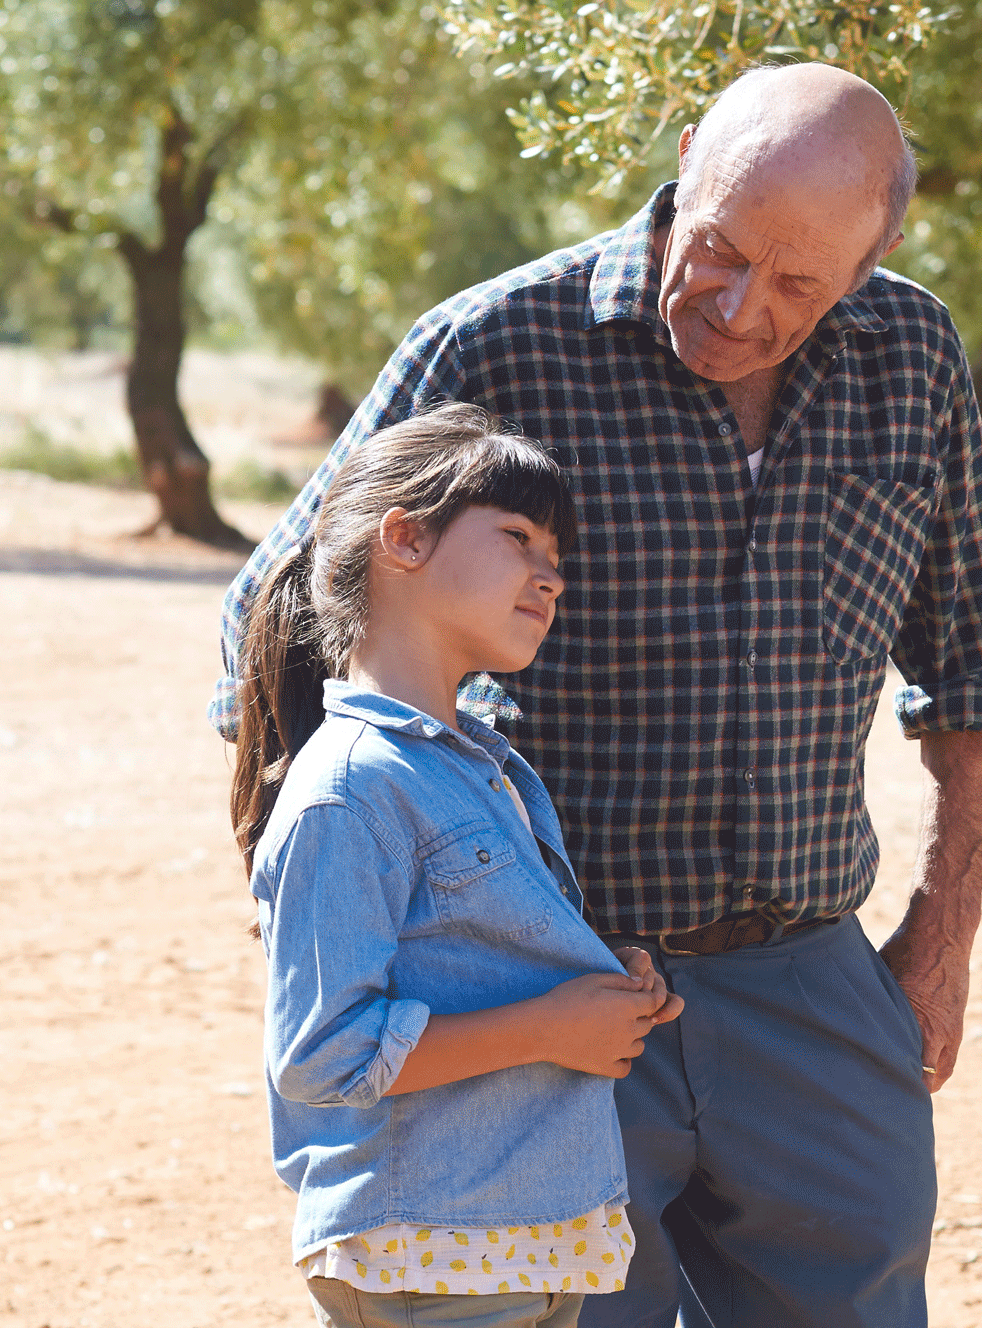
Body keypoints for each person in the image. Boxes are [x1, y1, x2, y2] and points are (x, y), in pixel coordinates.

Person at [213, 64, 982, 1327]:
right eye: (718, 248)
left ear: (871, 261)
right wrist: (328, 887)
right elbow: (274, 614)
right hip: (548, 997)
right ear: (688, 150)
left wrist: (941, 938)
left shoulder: (914, 355)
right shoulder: (494, 340)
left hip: (814, 990)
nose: (736, 303)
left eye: (798, 284)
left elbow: (973, 666)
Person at [233, 403, 686, 1328]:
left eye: (556, 554)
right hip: (430, 1253)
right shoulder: (351, 788)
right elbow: (324, 1052)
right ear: (403, 539)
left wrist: (598, 990)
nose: (550, 576)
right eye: (519, 535)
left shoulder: (471, 764)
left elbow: (475, 961)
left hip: (517, 1240)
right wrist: (549, 1027)